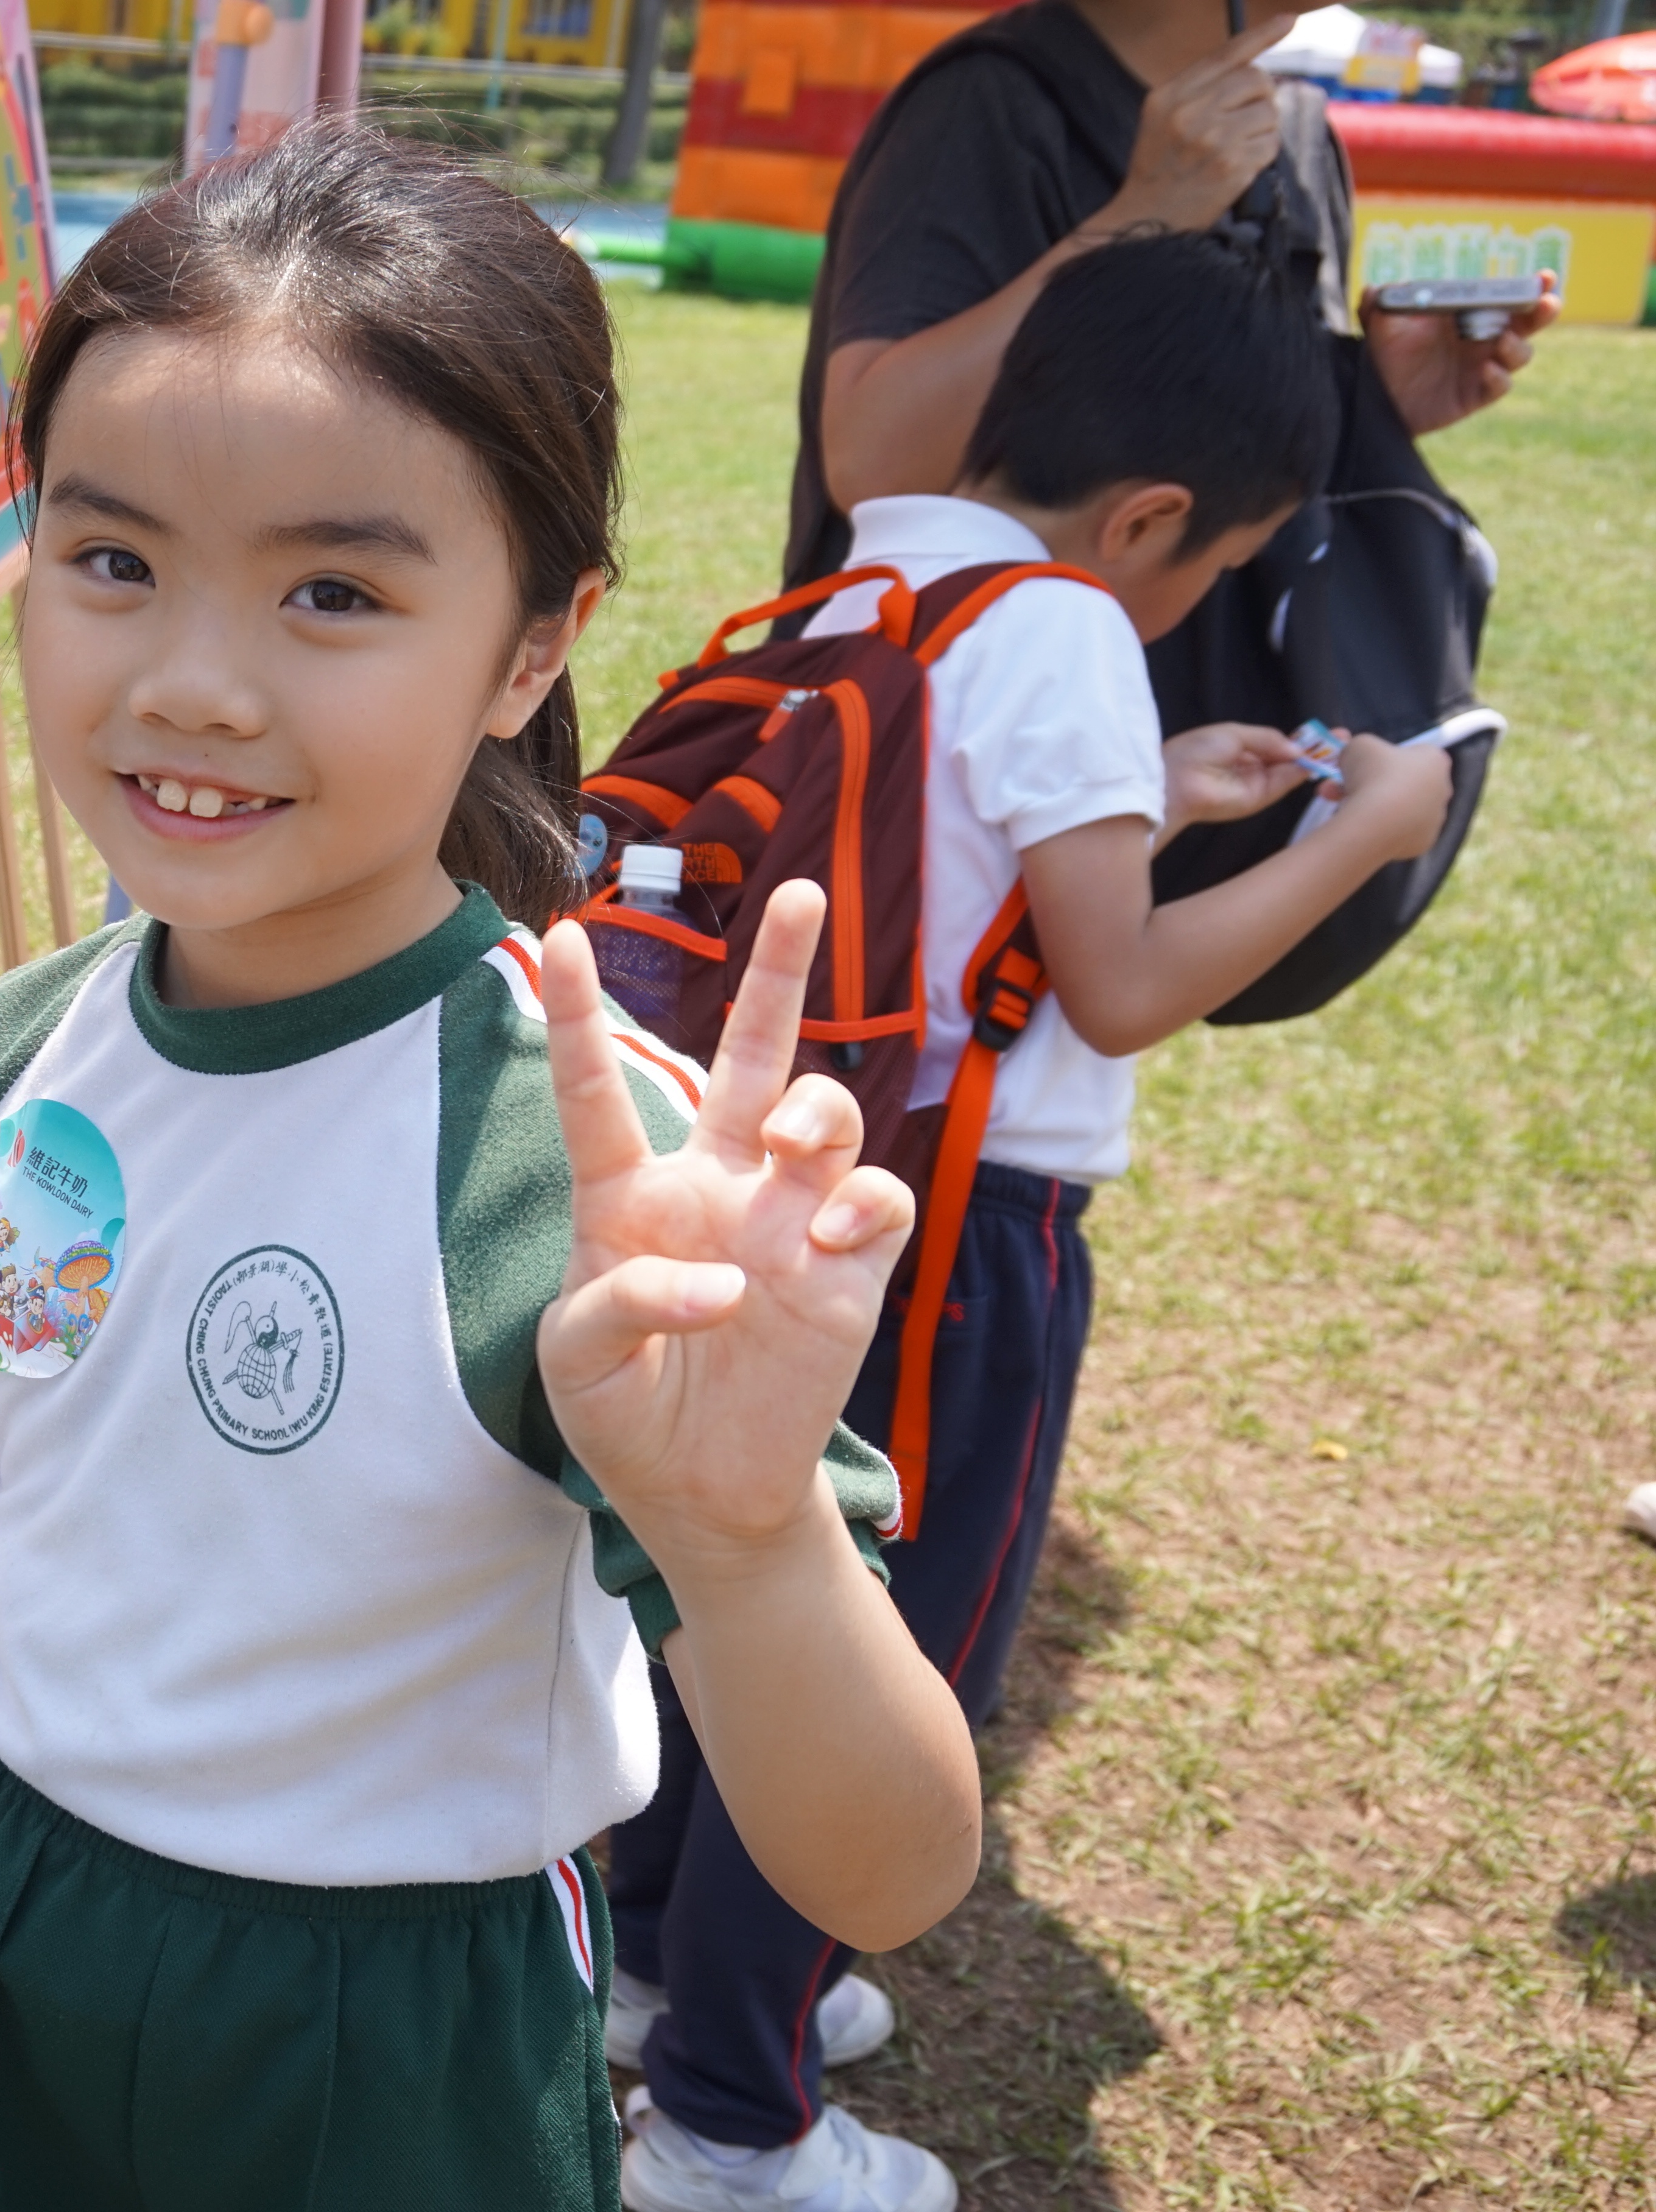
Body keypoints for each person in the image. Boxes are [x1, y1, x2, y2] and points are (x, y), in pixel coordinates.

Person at [0, 124, 986, 2212]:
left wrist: (748, 1540)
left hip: (372, 2035)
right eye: (112, 562)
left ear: (532, 646)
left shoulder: (587, 1174)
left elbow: (889, 1866)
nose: (192, 681)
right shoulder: (10, 1051)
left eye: (334, 593)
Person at [608, 233, 1462, 2212]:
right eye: (1208, 570)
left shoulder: (863, 581)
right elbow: (1119, 986)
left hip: (790, 1183)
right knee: (886, 1651)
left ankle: (658, 1970)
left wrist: (1144, 792)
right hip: (958, 1234)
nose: (1189, 607)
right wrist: (1360, 835)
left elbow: (954, 848)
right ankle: (730, 2120)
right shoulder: (1069, 621)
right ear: (1150, 517)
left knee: (743, 1599)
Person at [786, 0, 1555, 625]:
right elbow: (872, 466)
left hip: (1167, 742)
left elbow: (1210, 461)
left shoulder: (1289, 135)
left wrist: (1370, 405)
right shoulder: (987, 104)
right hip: (968, 734)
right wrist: (1147, 212)